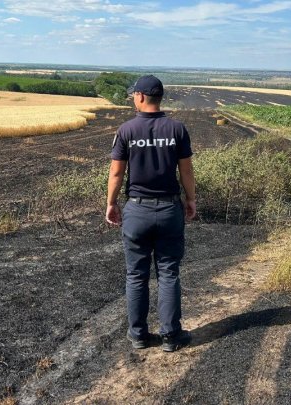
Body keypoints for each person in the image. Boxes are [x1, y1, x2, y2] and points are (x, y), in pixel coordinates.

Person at [105, 75, 196, 353]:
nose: (133, 97)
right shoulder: (177, 129)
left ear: (142, 96)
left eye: (134, 94)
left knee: (136, 275)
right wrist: (190, 199)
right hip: (169, 209)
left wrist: (111, 203)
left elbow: (117, 172)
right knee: (168, 273)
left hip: (137, 210)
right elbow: (186, 170)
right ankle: (170, 336)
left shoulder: (127, 130)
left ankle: (139, 336)